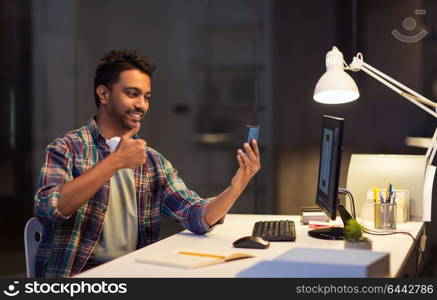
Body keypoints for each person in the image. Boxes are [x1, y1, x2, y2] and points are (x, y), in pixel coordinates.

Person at [34, 49, 261, 278]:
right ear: (103, 94)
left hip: (135, 272)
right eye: (132, 94)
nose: (141, 105)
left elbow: (197, 216)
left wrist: (237, 185)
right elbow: (49, 209)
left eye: (146, 97)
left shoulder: (151, 161)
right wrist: (114, 162)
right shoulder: (67, 148)